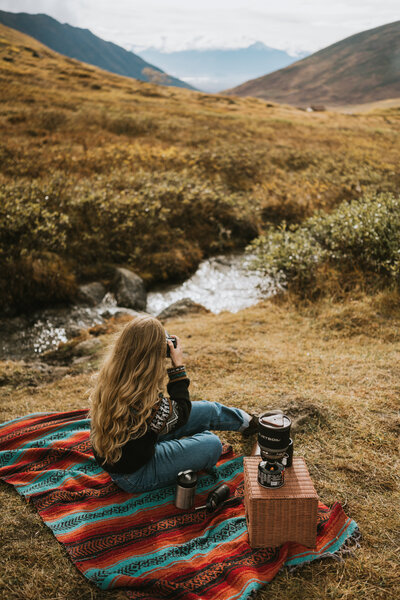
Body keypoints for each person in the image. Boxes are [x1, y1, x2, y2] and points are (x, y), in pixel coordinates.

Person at [89, 314, 257, 493]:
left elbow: (176, 413)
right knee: (212, 444)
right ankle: (180, 451)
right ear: (153, 356)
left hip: (133, 444)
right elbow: (182, 412)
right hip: (134, 474)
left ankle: (250, 423)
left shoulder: (113, 373)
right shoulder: (143, 400)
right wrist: (178, 367)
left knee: (209, 410)